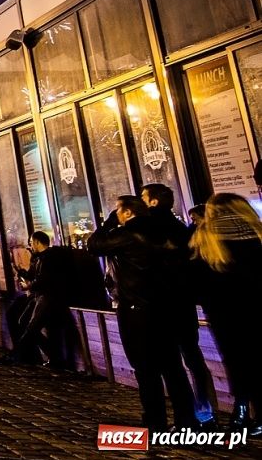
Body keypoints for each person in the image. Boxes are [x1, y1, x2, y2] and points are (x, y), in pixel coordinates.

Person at [88, 195, 197, 430]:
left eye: (118, 210)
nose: (116, 214)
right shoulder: (166, 231)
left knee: (146, 369)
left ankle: (155, 421)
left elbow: (94, 245)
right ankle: (187, 421)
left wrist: (108, 223)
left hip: (137, 309)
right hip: (167, 308)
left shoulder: (126, 234)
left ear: (128, 213)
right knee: (173, 367)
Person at [140, 183, 216, 423]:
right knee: (193, 359)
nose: (140, 201)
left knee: (171, 364)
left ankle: (188, 416)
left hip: (161, 305)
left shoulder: (147, 229)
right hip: (182, 305)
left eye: (143, 197)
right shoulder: (182, 230)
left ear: (153, 202)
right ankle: (206, 412)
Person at [189, 193, 262, 433]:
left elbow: (196, 280)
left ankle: (241, 413)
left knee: (237, 360)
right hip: (257, 306)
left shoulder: (205, 236)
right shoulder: (258, 232)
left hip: (223, 311)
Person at [0, 230, 72, 368]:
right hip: (40, 295)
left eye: (31, 243)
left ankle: (14, 356)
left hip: (49, 296)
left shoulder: (51, 256)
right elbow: (35, 276)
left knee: (31, 326)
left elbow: (43, 279)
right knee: (23, 322)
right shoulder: (38, 257)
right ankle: (54, 357)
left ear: (37, 242)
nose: (30, 246)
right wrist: (22, 273)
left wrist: (28, 285)